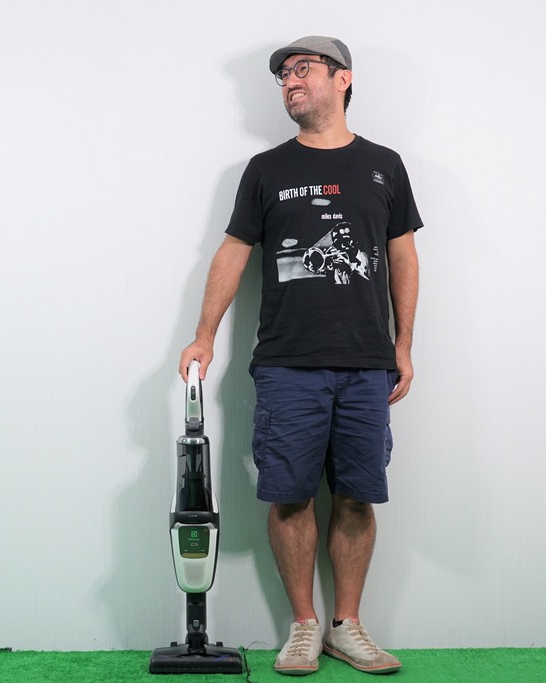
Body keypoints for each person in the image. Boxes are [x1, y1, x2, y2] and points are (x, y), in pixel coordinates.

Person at [178, 36, 422, 676]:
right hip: (287, 362)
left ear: (343, 79)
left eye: (303, 68)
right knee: (288, 497)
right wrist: (204, 334)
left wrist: (403, 345)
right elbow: (233, 253)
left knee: (357, 497)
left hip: (366, 362)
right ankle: (305, 626)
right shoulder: (266, 170)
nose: (290, 80)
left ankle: (347, 625)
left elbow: (402, 255)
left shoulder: (384, 166)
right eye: (283, 73)